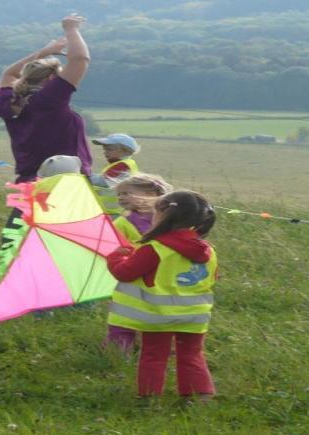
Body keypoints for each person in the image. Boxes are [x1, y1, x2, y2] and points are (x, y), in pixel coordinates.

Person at [106, 191, 218, 398]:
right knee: (192, 355)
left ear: (164, 215)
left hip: (159, 315)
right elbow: (213, 277)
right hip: (195, 315)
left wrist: (115, 257)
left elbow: (124, 273)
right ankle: (199, 397)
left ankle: (149, 399)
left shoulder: (155, 248)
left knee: (153, 356)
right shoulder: (208, 251)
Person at [0, 14, 92, 242]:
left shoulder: (8, 104)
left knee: (15, 248)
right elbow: (80, 60)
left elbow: (9, 74)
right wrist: (71, 29)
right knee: (73, 249)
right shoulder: (48, 101)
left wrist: (45, 52)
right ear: (50, 79)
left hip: (30, 187)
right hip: (65, 185)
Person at [102, 174, 173, 351]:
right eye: (119, 195)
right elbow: (113, 246)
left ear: (150, 193)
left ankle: (156, 346)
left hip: (157, 276)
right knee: (125, 312)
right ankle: (120, 348)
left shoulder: (169, 219)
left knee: (153, 312)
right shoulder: (123, 222)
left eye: (126, 193)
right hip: (135, 275)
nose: (120, 198)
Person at [90, 134, 141, 215]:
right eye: (104, 149)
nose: (105, 152)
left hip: (114, 213)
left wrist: (83, 173)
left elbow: (102, 181)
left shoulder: (122, 165)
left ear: (125, 150)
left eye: (109, 149)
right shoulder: (123, 164)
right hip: (112, 211)